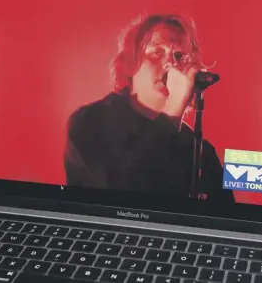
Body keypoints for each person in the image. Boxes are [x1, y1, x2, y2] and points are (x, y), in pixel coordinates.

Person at [64, 13, 234, 203]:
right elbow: (119, 200)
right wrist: (173, 110)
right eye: (156, 53)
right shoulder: (90, 122)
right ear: (129, 64)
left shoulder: (199, 151)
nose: (171, 64)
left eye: (180, 56)